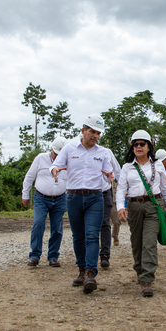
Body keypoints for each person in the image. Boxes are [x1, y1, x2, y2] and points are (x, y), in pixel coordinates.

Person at [50, 114, 114, 294]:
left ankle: (90, 273)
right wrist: (54, 169)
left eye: (98, 133)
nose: (96, 136)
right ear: (83, 130)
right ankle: (80, 270)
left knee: (92, 236)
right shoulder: (69, 149)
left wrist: (109, 177)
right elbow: (55, 165)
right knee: (78, 236)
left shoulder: (103, 153)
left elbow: (109, 173)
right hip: (73, 198)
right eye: (92, 131)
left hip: (95, 198)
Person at [116, 130, 166, 297]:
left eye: (142, 144)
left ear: (149, 146)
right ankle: (139, 270)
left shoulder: (157, 166)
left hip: (153, 206)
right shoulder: (127, 167)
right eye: (135, 144)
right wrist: (120, 207)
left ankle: (147, 279)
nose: (138, 147)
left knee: (149, 242)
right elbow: (121, 189)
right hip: (134, 207)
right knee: (137, 243)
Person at [22, 137, 69, 267]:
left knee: (57, 228)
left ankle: (53, 256)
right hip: (41, 198)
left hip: (60, 199)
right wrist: (25, 195)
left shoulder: (67, 162)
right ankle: (35, 255)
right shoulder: (40, 158)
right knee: (38, 224)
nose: (58, 157)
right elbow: (29, 177)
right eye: (56, 153)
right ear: (51, 149)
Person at [99, 148, 122, 268]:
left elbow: (118, 170)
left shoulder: (107, 152)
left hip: (106, 194)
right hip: (88, 193)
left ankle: (105, 255)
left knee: (106, 222)